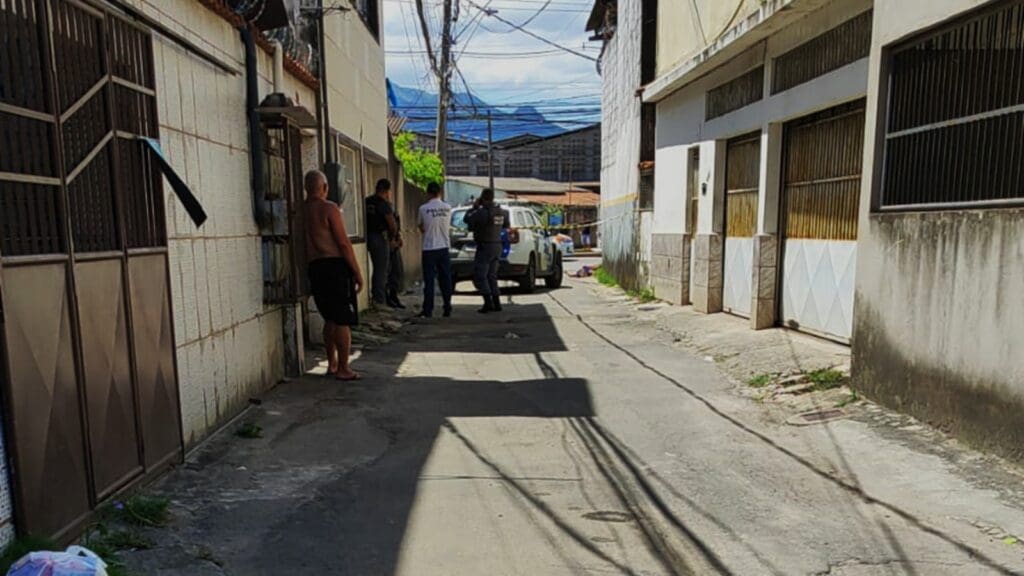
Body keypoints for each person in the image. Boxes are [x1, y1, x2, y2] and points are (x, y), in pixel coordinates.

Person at [304, 169, 364, 381]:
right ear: (325, 188)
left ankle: (332, 364)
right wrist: (357, 271)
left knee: (329, 317)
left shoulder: (300, 212)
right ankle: (344, 368)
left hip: (314, 267)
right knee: (341, 319)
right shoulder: (329, 208)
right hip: (334, 266)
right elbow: (343, 243)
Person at [464, 188, 509, 314]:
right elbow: (506, 225)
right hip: (497, 246)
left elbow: (467, 219)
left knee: (480, 276)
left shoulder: (482, 212)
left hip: (485, 246)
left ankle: (488, 302)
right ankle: (497, 303)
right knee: (492, 276)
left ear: (483, 198)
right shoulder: (502, 212)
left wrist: (474, 207)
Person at [417, 182, 453, 318]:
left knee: (429, 280)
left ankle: (428, 309)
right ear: (440, 192)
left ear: (428, 193)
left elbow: (421, 227)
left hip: (429, 248)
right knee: (445, 279)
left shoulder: (423, 209)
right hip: (444, 247)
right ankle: (447, 306)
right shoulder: (448, 208)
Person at [365, 178, 398, 307]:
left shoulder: (367, 201)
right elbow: (392, 224)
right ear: (387, 190)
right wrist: (392, 239)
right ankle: (379, 299)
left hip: (368, 236)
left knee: (377, 268)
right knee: (381, 269)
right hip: (379, 237)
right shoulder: (384, 204)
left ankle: (376, 296)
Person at [386, 213, 406, 309]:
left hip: (394, 242)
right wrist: (391, 240)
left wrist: (399, 236)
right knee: (388, 271)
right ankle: (388, 297)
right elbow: (391, 226)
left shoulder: (390, 208)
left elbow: (396, 226)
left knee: (396, 271)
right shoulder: (382, 206)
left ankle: (393, 296)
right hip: (387, 242)